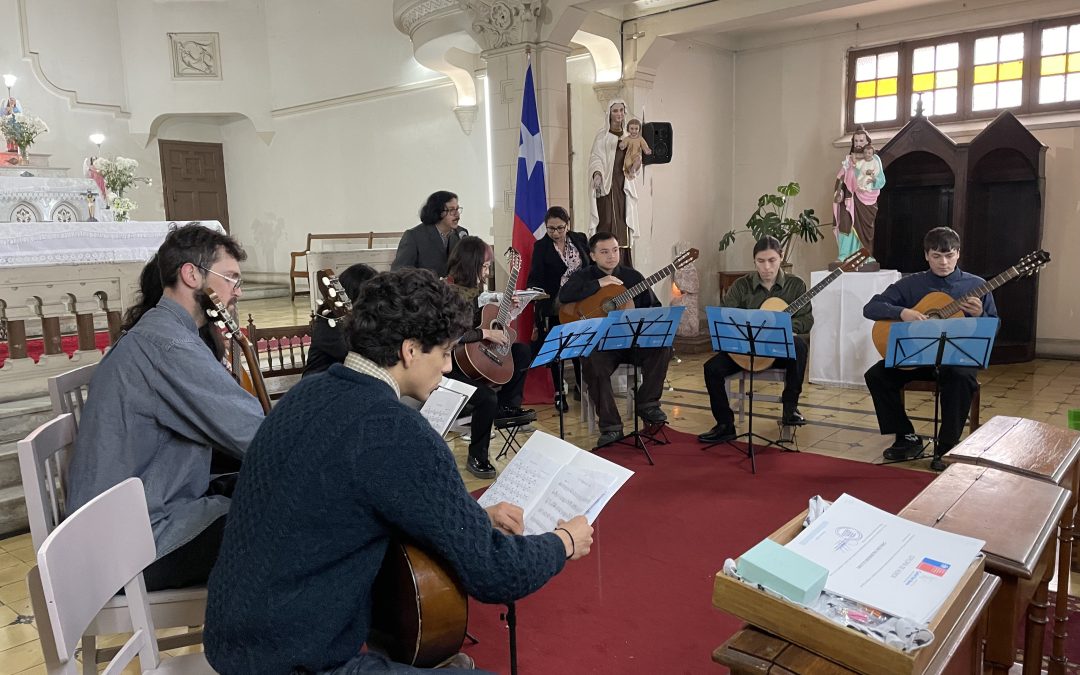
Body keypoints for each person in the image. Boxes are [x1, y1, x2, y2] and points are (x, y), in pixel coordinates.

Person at [203, 268, 594, 675]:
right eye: (443, 352)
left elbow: (348, 501)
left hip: (233, 640)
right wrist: (563, 542)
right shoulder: (393, 428)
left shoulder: (306, 393)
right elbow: (495, 574)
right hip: (299, 661)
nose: (446, 366)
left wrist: (473, 517)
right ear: (410, 350)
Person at [66, 224, 265, 591]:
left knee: (261, 492)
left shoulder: (164, 332)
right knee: (290, 526)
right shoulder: (168, 346)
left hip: (130, 522)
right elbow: (255, 435)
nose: (236, 292)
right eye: (231, 278)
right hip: (133, 544)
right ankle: (265, 643)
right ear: (191, 275)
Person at [863, 226, 997, 471]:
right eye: (936, 256)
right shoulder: (911, 284)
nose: (943, 262)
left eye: (949, 255)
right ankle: (906, 436)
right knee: (877, 374)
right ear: (926, 256)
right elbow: (871, 308)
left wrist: (982, 315)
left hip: (956, 358)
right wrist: (902, 312)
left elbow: (992, 329)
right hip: (917, 356)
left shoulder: (977, 285)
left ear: (958, 254)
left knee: (960, 377)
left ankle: (947, 446)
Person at [559, 232, 671, 447]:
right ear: (592, 255)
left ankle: (647, 403)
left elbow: (654, 307)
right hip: (601, 347)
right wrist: (599, 284)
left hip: (631, 342)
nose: (611, 256)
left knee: (663, 346)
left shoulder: (633, 277)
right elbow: (564, 297)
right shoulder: (584, 276)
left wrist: (644, 317)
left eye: (615, 250)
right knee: (592, 363)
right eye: (604, 252)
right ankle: (611, 427)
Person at [697, 236, 813, 444]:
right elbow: (725, 315)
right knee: (711, 369)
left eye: (772, 260)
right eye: (760, 261)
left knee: (799, 347)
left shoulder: (796, 286)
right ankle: (725, 425)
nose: (766, 267)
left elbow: (806, 319)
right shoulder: (741, 286)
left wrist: (785, 327)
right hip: (744, 350)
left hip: (777, 350)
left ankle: (790, 409)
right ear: (754, 261)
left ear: (781, 258)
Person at [446, 236, 534, 479]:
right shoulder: (449, 292)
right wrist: (485, 332)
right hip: (450, 365)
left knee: (522, 350)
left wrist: (507, 311)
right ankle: (477, 456)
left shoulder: (473, 291)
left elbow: (484, 321)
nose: (487, 272)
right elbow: (451, 335)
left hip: (473, 359)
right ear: (470, 263)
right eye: (484, 266)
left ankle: (508, 406)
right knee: (485, 398)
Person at [525, 206, 590, 412]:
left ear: (567, 224)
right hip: (555, 303)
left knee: (580, 345)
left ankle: (582, 387)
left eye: (560, 228)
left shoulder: (579, 239)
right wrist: (535, 294)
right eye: (551, 228)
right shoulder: (541, 246)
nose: (555, 233)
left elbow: (588, 267)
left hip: (581, 300)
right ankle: (559, 393)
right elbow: (535, 276)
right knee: (559, 348)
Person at [303, 262, 379, 377]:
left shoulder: (360, 319)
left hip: (349, 383)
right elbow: (358, 356)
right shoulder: (328, 324)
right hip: (320, 386)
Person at [589, 99, 639, 266]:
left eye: (621, 110)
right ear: (609, 113)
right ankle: (604, 259)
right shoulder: (602, 137)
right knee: (607, 220)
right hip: (606, 185)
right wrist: (597, 174)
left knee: (623, 221)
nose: (619, 114)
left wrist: (635, 165)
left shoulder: (629, 137)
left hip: (622, 184)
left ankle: (623, 263)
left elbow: (633, 164)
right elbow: (596, 158)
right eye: (615, 111)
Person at [833, 128, 885, 265]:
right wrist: (839, 192)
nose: (858, 143)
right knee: (845, 224)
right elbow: (841, 178)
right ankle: (844, 255)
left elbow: (881, 180)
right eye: (856, 140)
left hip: (866, 199)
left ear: (868, 142)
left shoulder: (875, 159)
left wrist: (872, 181)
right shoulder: (849, 159)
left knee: (866, 228)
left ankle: (865, 255)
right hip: (849, 198)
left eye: (861, 140)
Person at [392, 190, 470, 277]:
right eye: (451, 210)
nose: (457, 215)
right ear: (438, 212)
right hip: (425, 289)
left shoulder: (461, 234)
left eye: (457, 209)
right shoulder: (414, 236)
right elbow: (399, 274)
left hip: (454, 290)